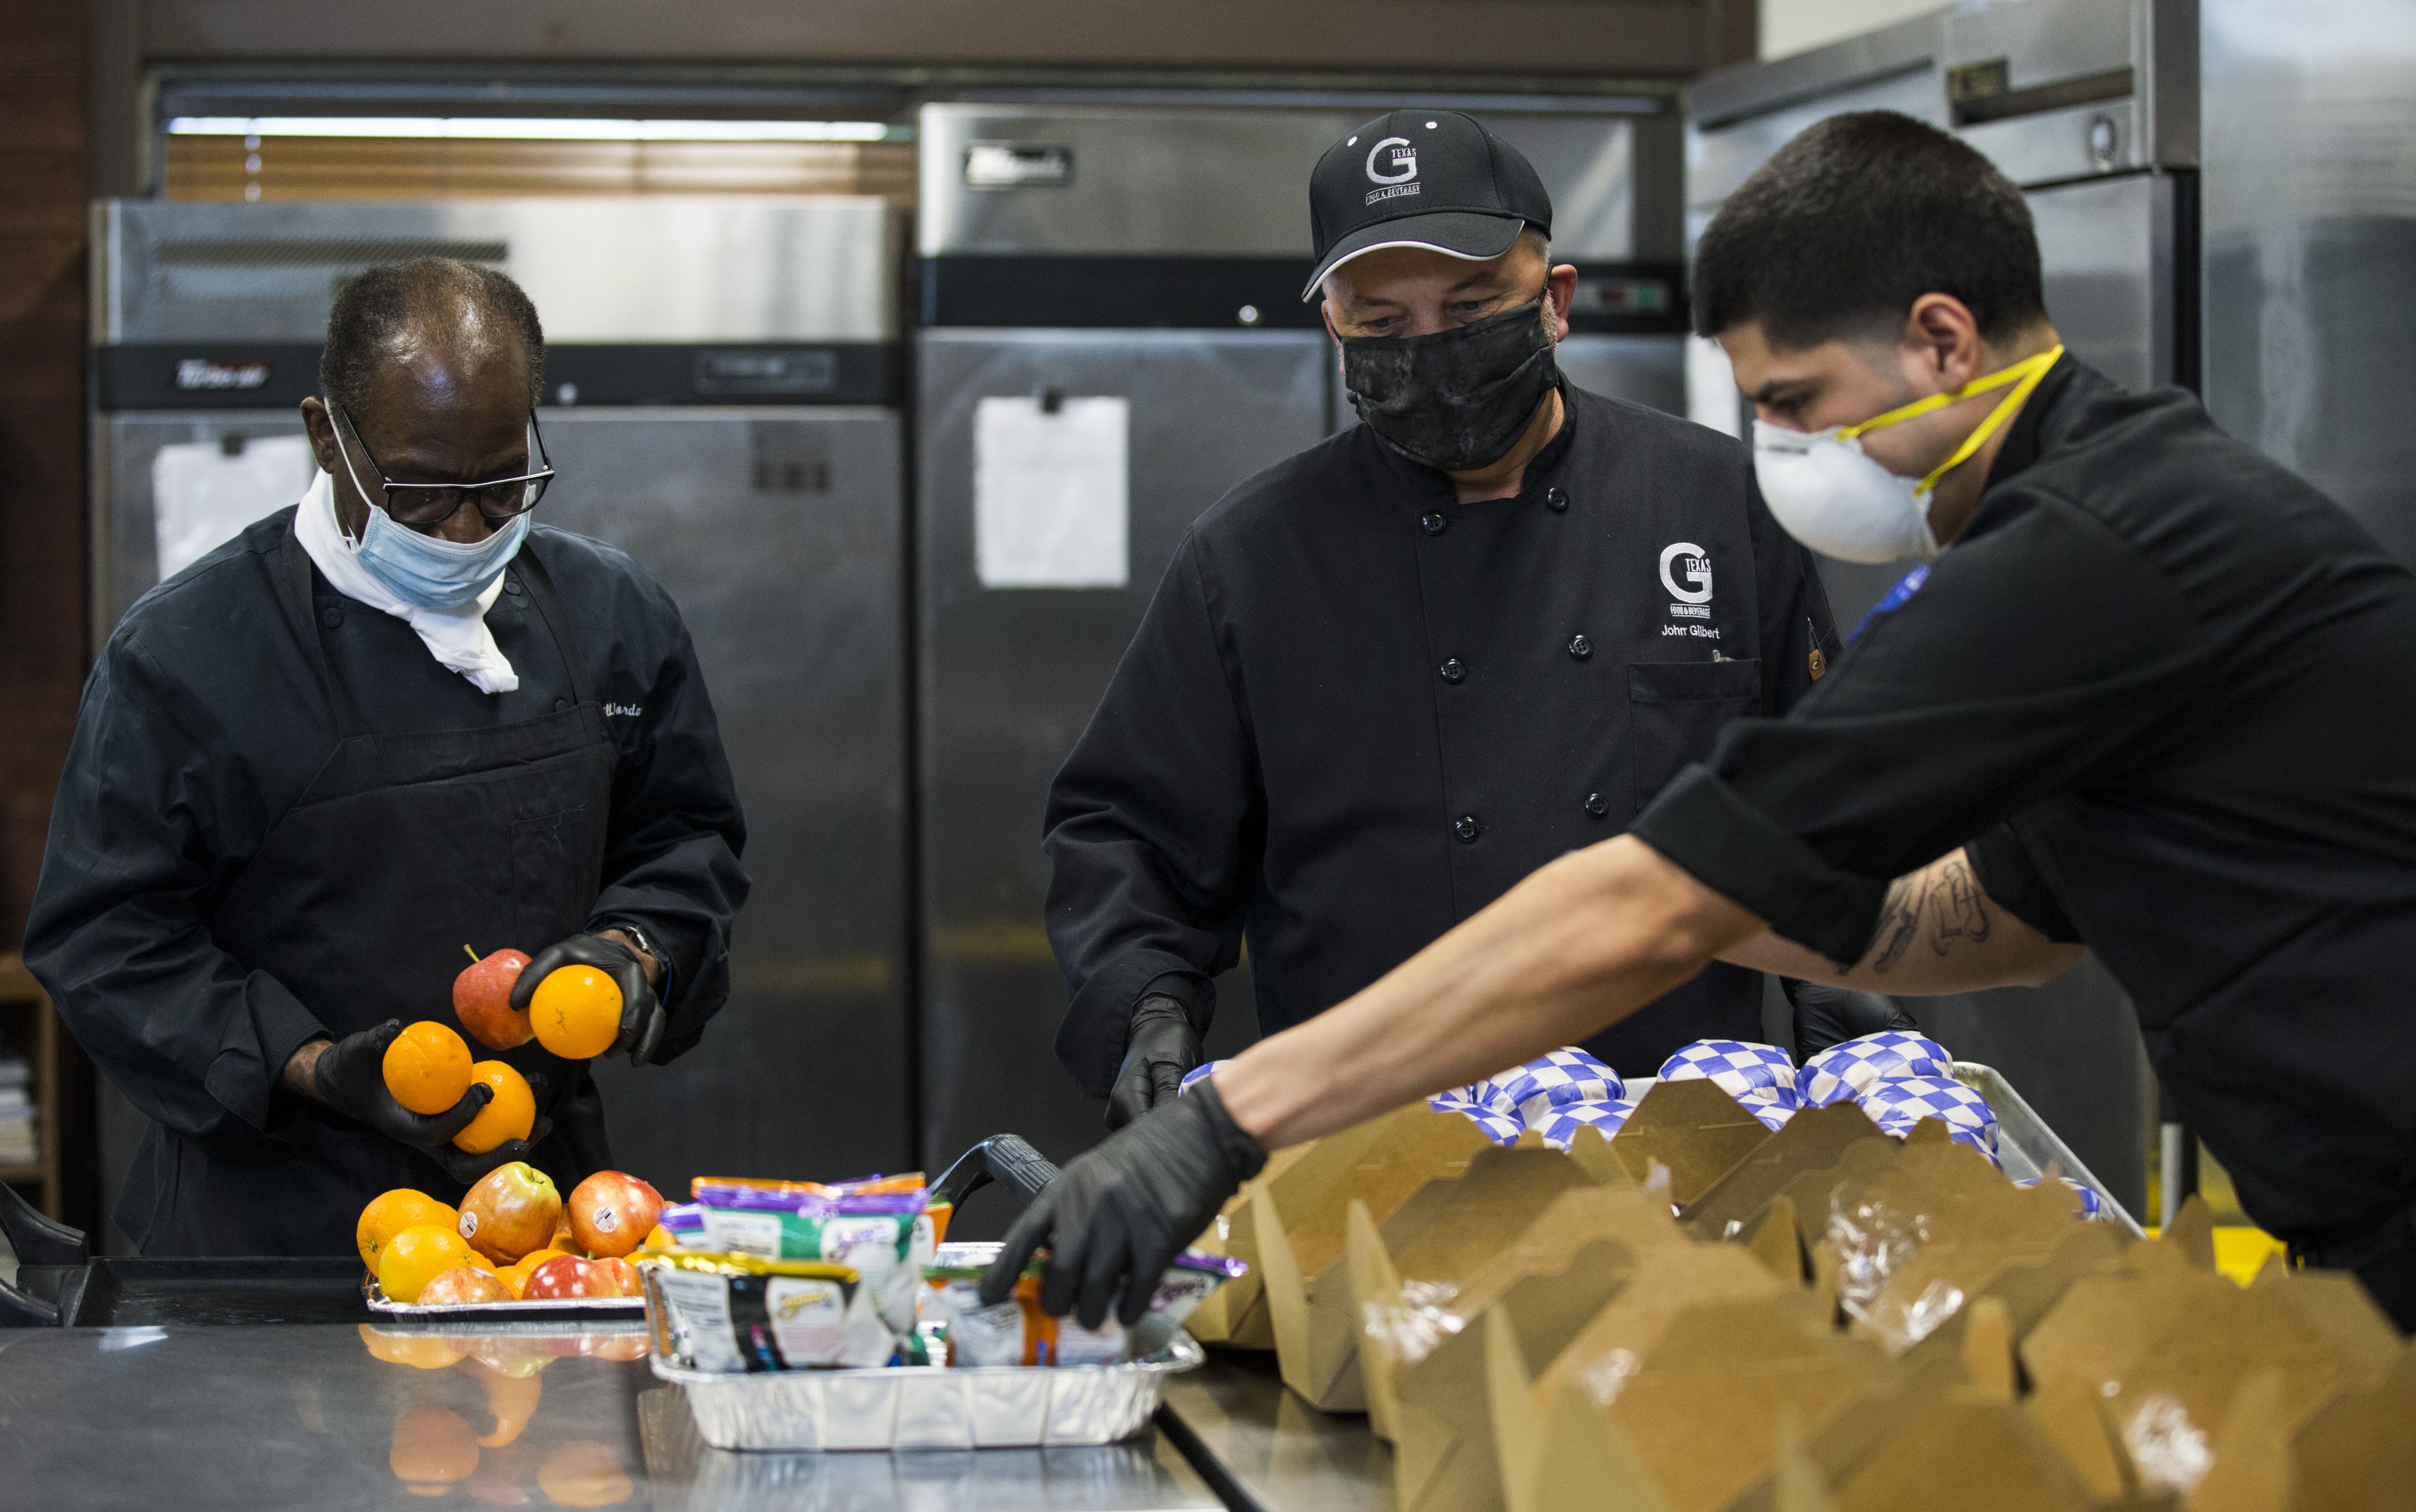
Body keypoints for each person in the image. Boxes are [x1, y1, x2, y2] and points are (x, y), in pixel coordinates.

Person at [985, 111, 2416, 1335]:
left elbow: (1692, 888)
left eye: (1795, 404)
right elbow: (2016, 918)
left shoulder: (2084, 548)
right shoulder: (2115, 508)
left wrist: (1235, 1119)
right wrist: (1692, 911)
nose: (1783, 451)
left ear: (1938, 340)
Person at [1046, 109, 1883, 1129]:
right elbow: (1127, 832)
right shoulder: (1250, 557)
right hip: (1364, 1144)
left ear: (1555, 301)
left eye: (1471, 303)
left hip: (1683, 1141)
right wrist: (1150, 1004)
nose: (1431, 349)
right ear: (1334, 329)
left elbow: (1819, 792)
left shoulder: (1714, 503)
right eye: (1384, 326)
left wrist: (1846, 984)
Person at [25, 259, 749, 1255]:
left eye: (501, 485)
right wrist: (316, 1064)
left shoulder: (613, 617)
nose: (462, 531)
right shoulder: (188, 656)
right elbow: (105, 936)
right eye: (418, 491)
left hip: (537, 1225)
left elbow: (687, 840)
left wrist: (632, 955)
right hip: (270, 1242)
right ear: (328, 438)